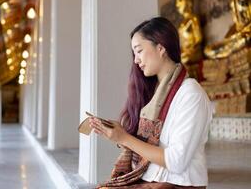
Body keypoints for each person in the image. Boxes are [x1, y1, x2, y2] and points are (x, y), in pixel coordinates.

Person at [89, 17, 213, 189]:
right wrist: (119, 135)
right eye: (134, 53)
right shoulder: (154, 94)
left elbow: (176, 161)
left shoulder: (191, 94)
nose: (136, 60)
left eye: (139, 51)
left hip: (178, 184)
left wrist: (124, 138)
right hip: (151, 179)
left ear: (161, 48)